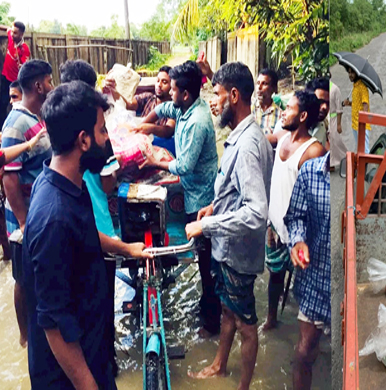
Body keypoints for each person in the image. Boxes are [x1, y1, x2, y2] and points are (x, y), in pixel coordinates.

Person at [22, 80, 118, 389]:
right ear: (84, 140)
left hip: (93, 354)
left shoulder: (67, 182)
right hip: (69, 378)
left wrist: (126, 249)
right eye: (102, 130)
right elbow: (54, 324)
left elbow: (84, 236)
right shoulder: (54, 219)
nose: (107, 139)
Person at [59, 58, 151, 376]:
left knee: (74, 310)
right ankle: (107, 362)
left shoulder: (56, 133)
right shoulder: (100, 139)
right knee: (101, 308)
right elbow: (109, 183)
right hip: (100, 232)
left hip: (71, 237)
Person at [186, 62, 273, 390]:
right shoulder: (242, 136)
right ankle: (220, 365)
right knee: (226, 311)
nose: (214, 101)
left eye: (218, 94)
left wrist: (207, 225)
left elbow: (256, 212)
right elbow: (238, 191)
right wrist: (214, 206)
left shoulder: (249, 144)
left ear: (234, 95)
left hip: (238, 254)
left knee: (246, 325)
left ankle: (243, 387)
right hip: (228, 249)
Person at [141, 60, 221, 338]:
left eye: (172, 88)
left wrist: (155, 161)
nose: (169, 93)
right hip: (190, 189)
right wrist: (142, 126)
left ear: (185, 93)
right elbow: (162, 108)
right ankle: (206, 305)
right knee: (201, 255)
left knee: (206, 259)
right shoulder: (182, 105)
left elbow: (185, 164)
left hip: (202, 196)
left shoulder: (198, 121)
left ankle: (212, 320)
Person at [263, 90, 326, 331]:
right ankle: (271, 320)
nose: (283, 111)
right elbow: (261, 138)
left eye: (289, 108)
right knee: (274, 276)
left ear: (303, 116)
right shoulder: (282, 136)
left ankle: (304, 334)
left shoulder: (313, 151)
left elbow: (313, 202)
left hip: (299, 234)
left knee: (302, 287)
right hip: (275, 228)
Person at [2, 60, 53, 347]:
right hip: (24, 215)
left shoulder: (37, 116)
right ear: (37, 85)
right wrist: (23, 222)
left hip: (38, 210)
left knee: (37, 273)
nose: (51, 85)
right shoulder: (16, 122)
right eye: (48, 81)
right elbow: (8, 178)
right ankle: (24, 338)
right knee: (22, 278)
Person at [285, 151, 331, 390]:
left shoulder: (368, 178)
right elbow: (295, 217)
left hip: (347, 289)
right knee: (304, 351)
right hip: (315, 278)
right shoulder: (310, 172)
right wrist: (298, 240)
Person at [108, 66, 177, 156]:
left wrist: (150, 128)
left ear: (172, 86)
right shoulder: (148, 98)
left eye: (164, 82)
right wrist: (115, 89)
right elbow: (129, 104)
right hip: (140, 148)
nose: (159, 85)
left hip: (161, 151)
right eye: (157, 81)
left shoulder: (173, 108)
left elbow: (169, 130)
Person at [0, 22, 30, 128]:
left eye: (15, 33)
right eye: (12, 32)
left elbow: (24, 66)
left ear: (21, 34)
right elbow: (7, 28)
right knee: (2, 104)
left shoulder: (24, 49)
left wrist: (22, 65)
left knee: (15, 104)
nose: (12, 34)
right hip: (4, 77)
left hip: (15, 82)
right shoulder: (10, 36)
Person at [342, 66, 370, 154]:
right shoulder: (355, 86)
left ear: (357, 73)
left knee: (365, 150)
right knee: (359, 149)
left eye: (352, 73)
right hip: (354, 124)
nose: (350, 75)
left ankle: (365, 167)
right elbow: (357, 104)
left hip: (361, 124)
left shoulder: (362, 87)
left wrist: (363, 121)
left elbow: (365, 104)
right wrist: (349, 103)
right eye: (349, 72)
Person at [252, 68, 283, 135]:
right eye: (258, 83)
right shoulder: (249, 108)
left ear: (274, 88)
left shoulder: (280, 116)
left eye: (264, 84)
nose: (259, 87)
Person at [328, 81, 346, 169]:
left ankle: (346, 158)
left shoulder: (335, 89)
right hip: (326, 119)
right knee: (329, 141)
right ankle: (331, 163)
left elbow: (339, 108)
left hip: (334, 118)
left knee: (337, 141)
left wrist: (339, 124)